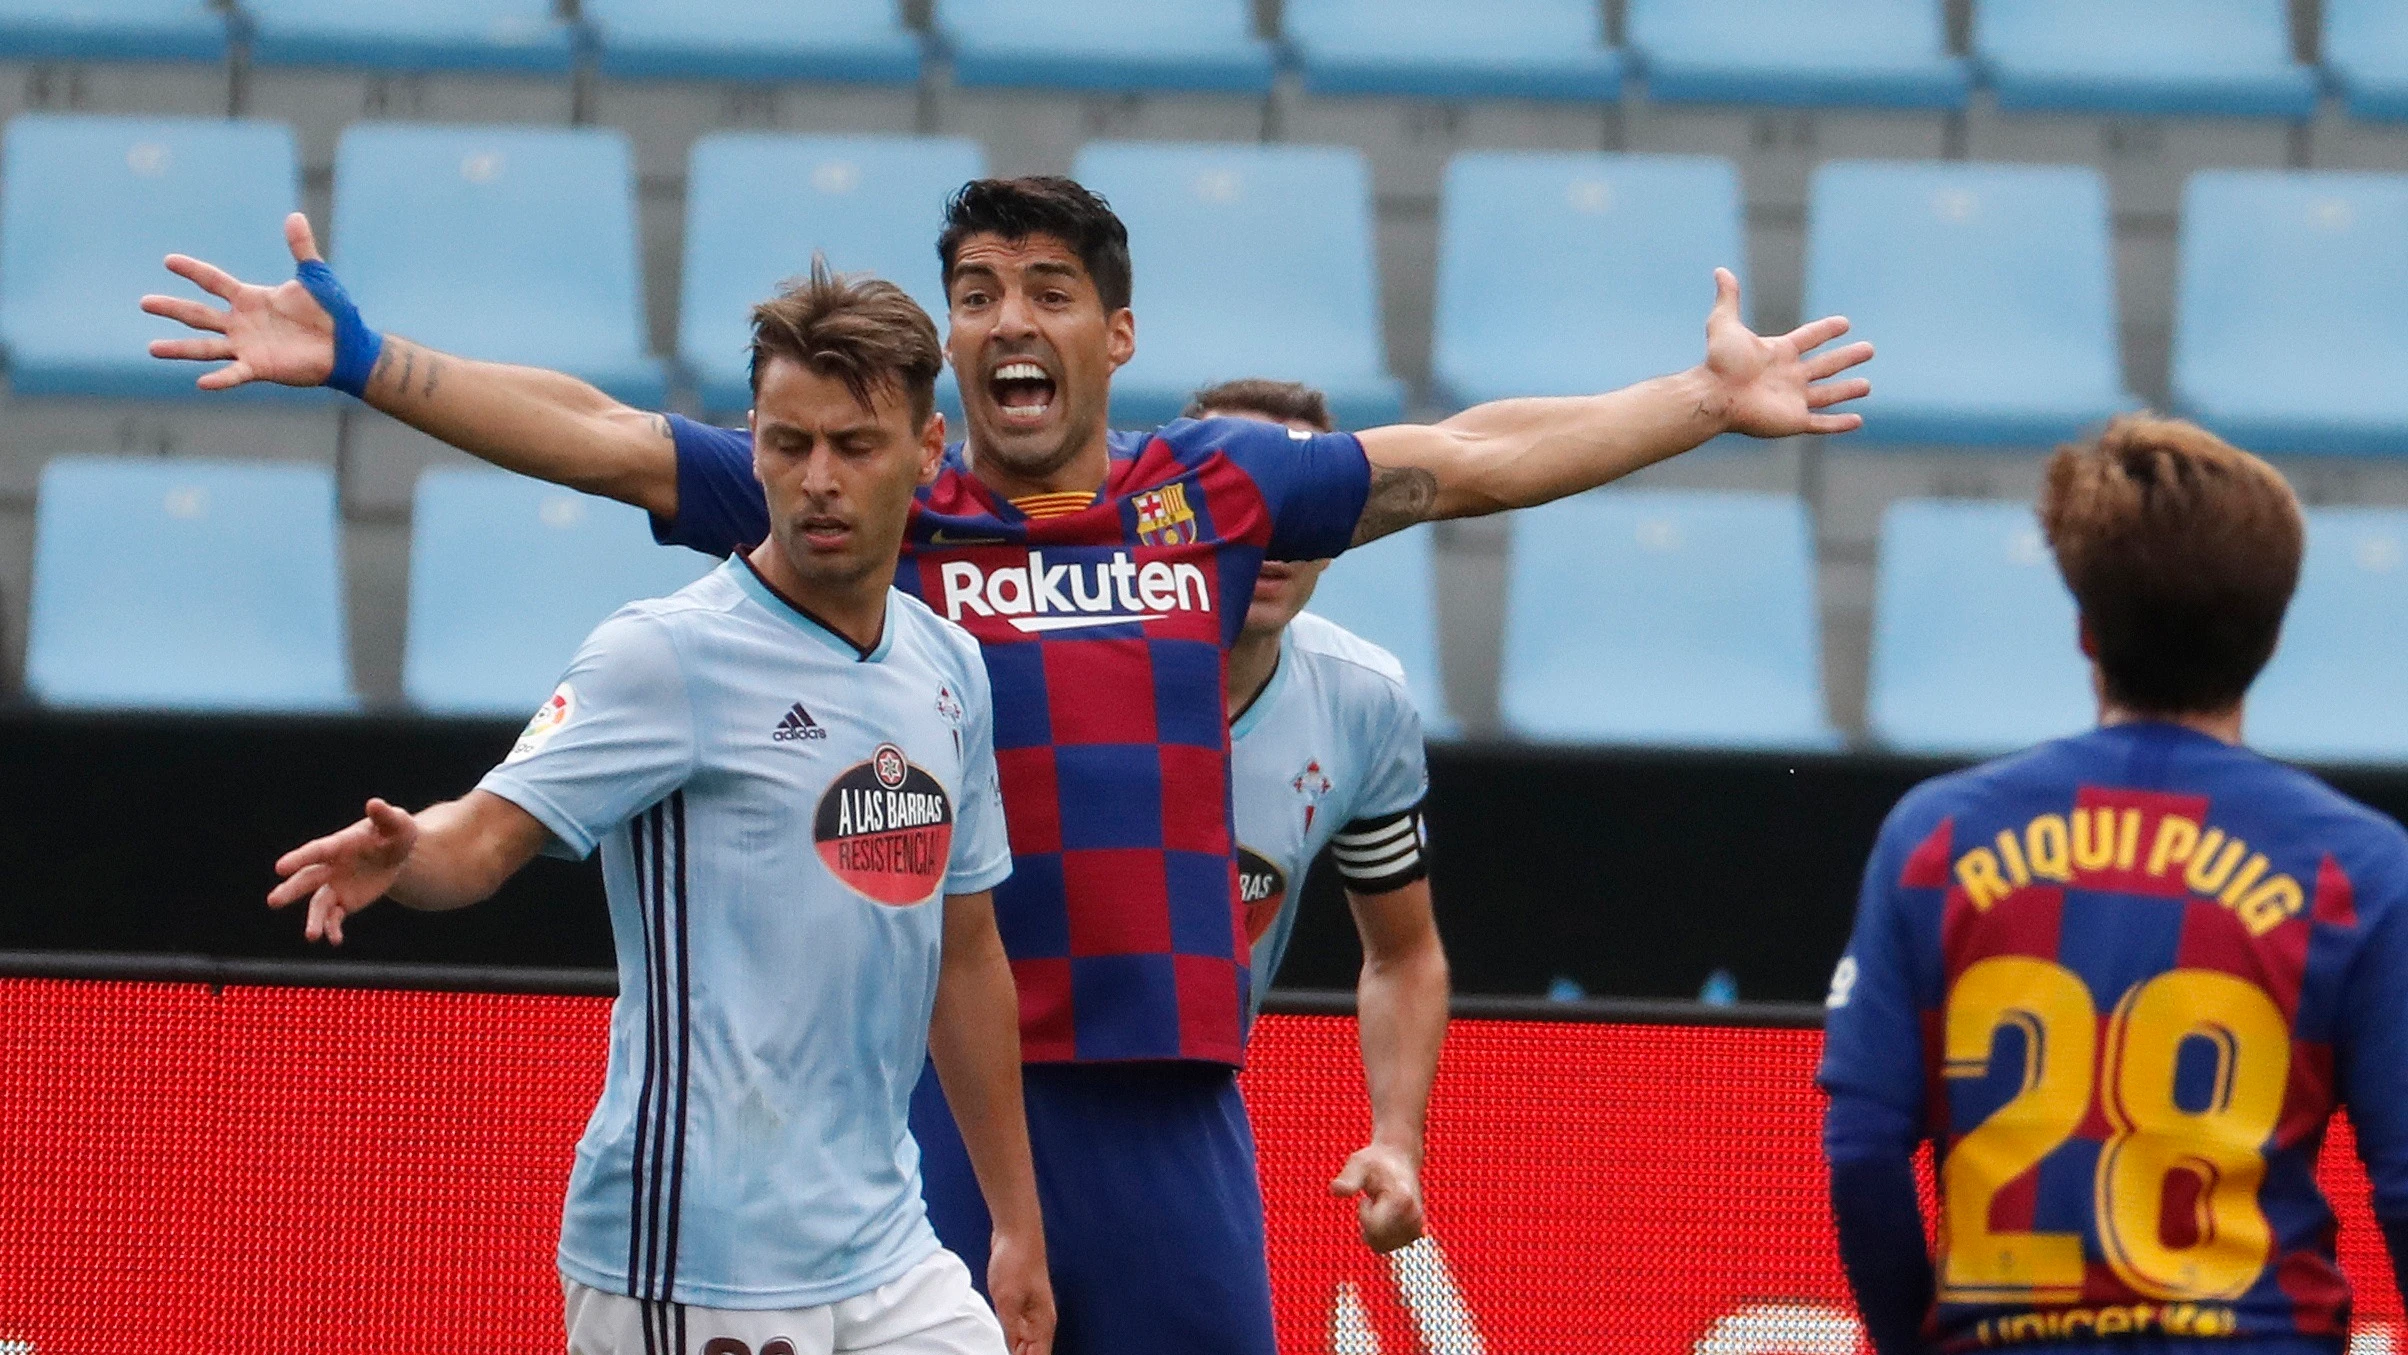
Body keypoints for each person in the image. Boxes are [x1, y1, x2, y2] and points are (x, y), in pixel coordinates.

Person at [147, 176, 1874, 1354]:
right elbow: (601, 436)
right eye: (975, 295)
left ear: (1114, 336)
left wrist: (1696, 402)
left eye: (1046, 291)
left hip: (1172, 1101)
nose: (1006, 319)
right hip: (925, 1117)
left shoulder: (1214, 493)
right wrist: (368, 363)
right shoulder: (878, 495)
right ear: (946, 350)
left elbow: (1469, 458)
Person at [261, 268, 1056, 1355]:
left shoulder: (949, 666)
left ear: (926, 452)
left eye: (854, 446)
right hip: (694, 1250)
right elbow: (483, 840)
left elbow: (966, 955)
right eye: (787, 444)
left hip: (886, 1246)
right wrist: (409, 854)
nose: (816, 478)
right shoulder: (665, 653)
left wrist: (1015, 1221)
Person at [1818, 415, 2408, 1355]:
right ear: (2270, 633)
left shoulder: (1933, 837)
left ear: (2086, 630)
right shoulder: (2360, 868)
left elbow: (1862, 1155)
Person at [1193, 377, 1448, 1257]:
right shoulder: (1046, 660)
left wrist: (1398, 1139)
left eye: (1305, 507)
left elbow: (1404, 951)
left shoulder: (1362, 702)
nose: (1274, 535)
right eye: (1240, 498)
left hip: (1186, 1128)